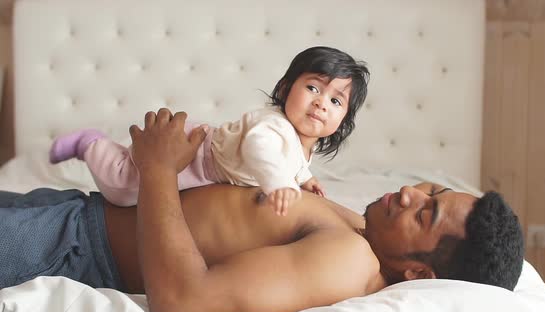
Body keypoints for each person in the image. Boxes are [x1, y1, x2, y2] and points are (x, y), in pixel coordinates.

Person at [0, 109, 525, 312]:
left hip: (71, 248)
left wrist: (157, 169)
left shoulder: (346, 262)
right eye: (431, 190)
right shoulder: (357, 230)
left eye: (426, 213)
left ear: (418, 273)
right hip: (72, 215)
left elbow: (184, 301)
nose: (410, 192)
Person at [48, 46, 370, 216]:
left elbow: (292, 160)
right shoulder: (272, 125)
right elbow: (261, 150)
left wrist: (304, 178)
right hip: (192, 154)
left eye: (336, 100)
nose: (321, 103)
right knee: (121, 189)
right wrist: (279, 185)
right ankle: (90, 143)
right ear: (286, 89)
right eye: (313, 87)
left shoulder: (302, 142)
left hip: (209, 166)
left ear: (344, 118)